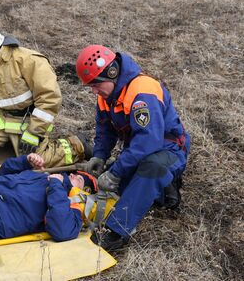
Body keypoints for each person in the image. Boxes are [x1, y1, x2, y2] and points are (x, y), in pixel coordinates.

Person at [76, 45, 190, 251]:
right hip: (141, 150)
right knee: (121, 181)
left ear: (111, 73)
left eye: (95, 84)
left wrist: (117, 172)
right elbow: (105, 130)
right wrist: (100, 157)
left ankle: (118, 231)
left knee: (149, 170)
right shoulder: (106, 96)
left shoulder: (142, 91)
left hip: (169, 150)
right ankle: (165, 190)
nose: (94, 91)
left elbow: (149, 141)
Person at [0, 19, 91, 167]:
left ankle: (76, 145)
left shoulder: (29, 61)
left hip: (31, 120)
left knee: (36, 161)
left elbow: (49, 99)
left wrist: (34, 132)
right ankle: (13, 142)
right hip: (5, 119)